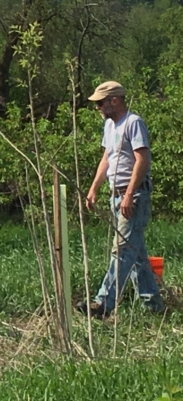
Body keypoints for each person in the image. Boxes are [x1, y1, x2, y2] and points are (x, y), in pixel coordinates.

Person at [79, 81, 164, 317]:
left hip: (133, 195)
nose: (97, 107)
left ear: (114, 100)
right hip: (116, 195)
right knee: (135, 255)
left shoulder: (133, 123)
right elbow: (108, 158)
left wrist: (128, 195)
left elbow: (142, 160)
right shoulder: (109, 125)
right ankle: (154, 308)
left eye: (100, 102)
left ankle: (103, 303)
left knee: (123, 250)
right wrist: (94, 188)